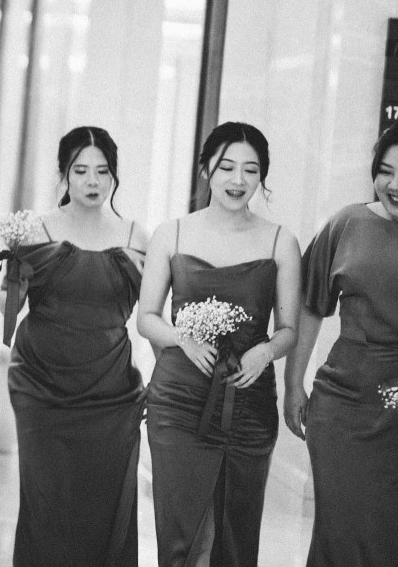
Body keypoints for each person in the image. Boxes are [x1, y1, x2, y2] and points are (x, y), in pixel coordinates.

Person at [136, 122, 300, 567]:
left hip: (248, 402)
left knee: (235, 534)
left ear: (262, 176)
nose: (237, 179)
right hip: (179, 400)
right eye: (226, 167)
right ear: (206, 169)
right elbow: (146, 318)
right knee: (181, 535)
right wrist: (181, 339)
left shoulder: (280, 241)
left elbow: (289, 328)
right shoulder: (171, 233)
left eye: (251, 169)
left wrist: (267, 351)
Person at [5, 127, 147, 566]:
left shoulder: (136, 236)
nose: (92, 181)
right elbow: (7, 308)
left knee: (101, 506)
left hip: (111, 392)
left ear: (114, 175)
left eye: (102, 171)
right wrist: (10, 272)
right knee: (45, 501)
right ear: (64, 174)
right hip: (40, 386)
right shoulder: (37, 228)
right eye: (81, 170)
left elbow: (152, 313)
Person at [284, 123, 398, 565]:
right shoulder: (348, 223)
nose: (394, 184)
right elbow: (310, 305)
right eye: (386, 171)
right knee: (341, 533)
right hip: (342, 407)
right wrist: (293, 385)